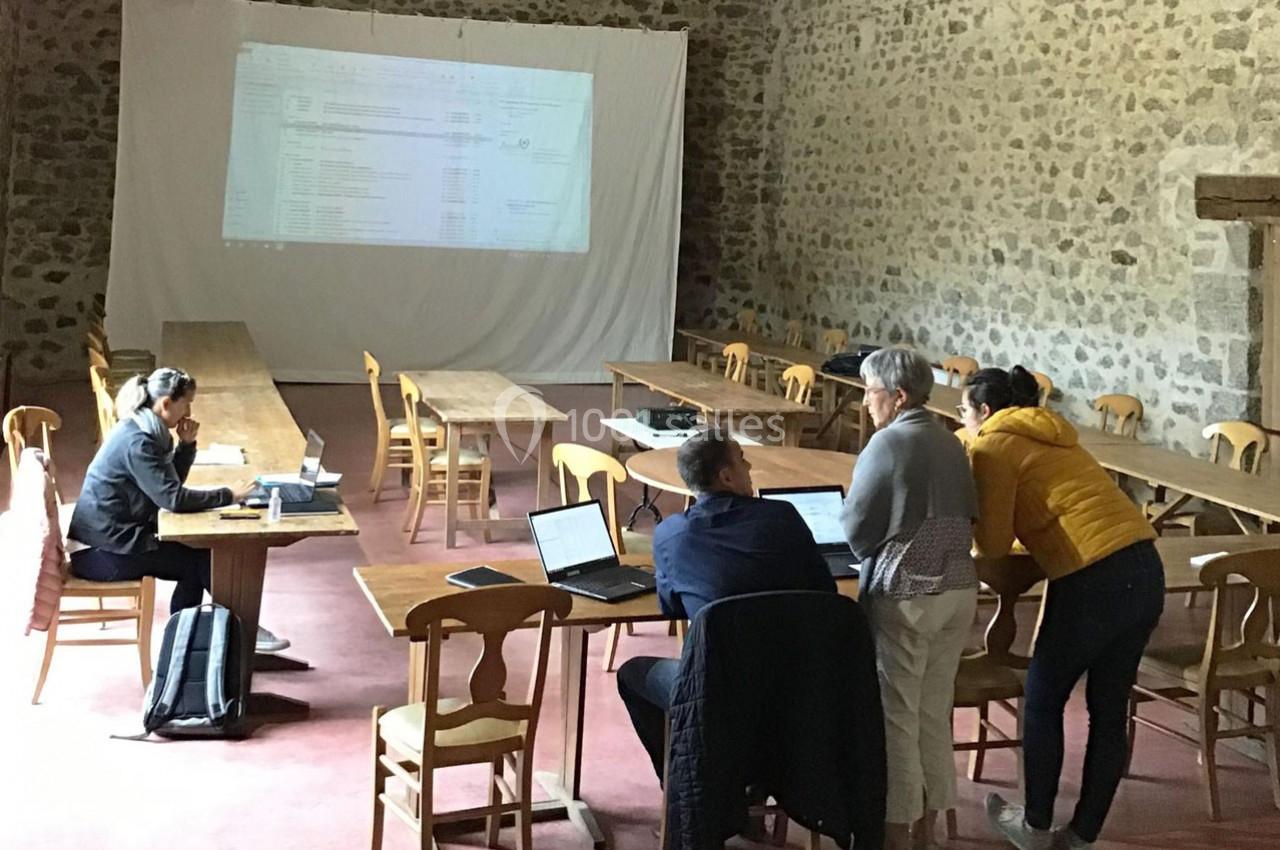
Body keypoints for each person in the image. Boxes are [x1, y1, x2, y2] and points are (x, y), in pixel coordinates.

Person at [960, 366, 1163, 850]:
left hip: (1091, 576)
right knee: (1108, 709)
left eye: (963, 411)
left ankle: (1034, 826)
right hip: (1143, 564)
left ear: (984, 411)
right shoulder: (1055, 432)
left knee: (1043, 698)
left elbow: (992, 543)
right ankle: (1082, 835)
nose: (961, 420)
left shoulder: (993, 445)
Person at [616, 430, 837, 778]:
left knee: (632, 674)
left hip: (716, 690)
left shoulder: (672, 535)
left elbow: (672, 607)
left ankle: (680, 783)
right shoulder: (783, 517)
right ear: (727, 476)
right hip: (799, 684)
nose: (749, 468)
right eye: (742, 461)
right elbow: (826, 591)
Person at [839, 347, 979, 850]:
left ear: (898, 396)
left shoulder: (889, 441)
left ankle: (895, 832)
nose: (865, 401)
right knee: (933, 712)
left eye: (870, 391)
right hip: (959, 588)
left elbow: (856, 525)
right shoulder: (950, 439)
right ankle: (928, 830)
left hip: (908, 592)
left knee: (897, 717)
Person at [68, 367, 290, 653]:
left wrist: (186, 447)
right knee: (198, 560)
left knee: (198, 553)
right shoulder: (139, 442)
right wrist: (229, 495)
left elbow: (167, 486)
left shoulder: (142, 428)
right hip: (100, 553)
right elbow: (173, 499)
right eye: (187, 403)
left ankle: (189, 641)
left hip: (111, 541)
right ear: (166, 403)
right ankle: (240, 631)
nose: (190, 411)